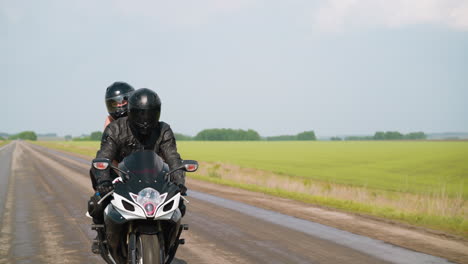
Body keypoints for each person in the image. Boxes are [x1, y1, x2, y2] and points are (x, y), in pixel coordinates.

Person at [88, 88, 186, 253]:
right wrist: (104, 181)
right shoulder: (116, 129)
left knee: (180, 204)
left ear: (158, 113)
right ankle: (102, 238)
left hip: (154, 177)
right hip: (120, 175)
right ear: (131, 112)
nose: (145, 119)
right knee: (97, 203)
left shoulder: (163, 130)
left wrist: (179, 182)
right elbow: (104, 156)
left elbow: (173, 157)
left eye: (150, 114)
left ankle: (168, 244)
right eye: (140, 114)